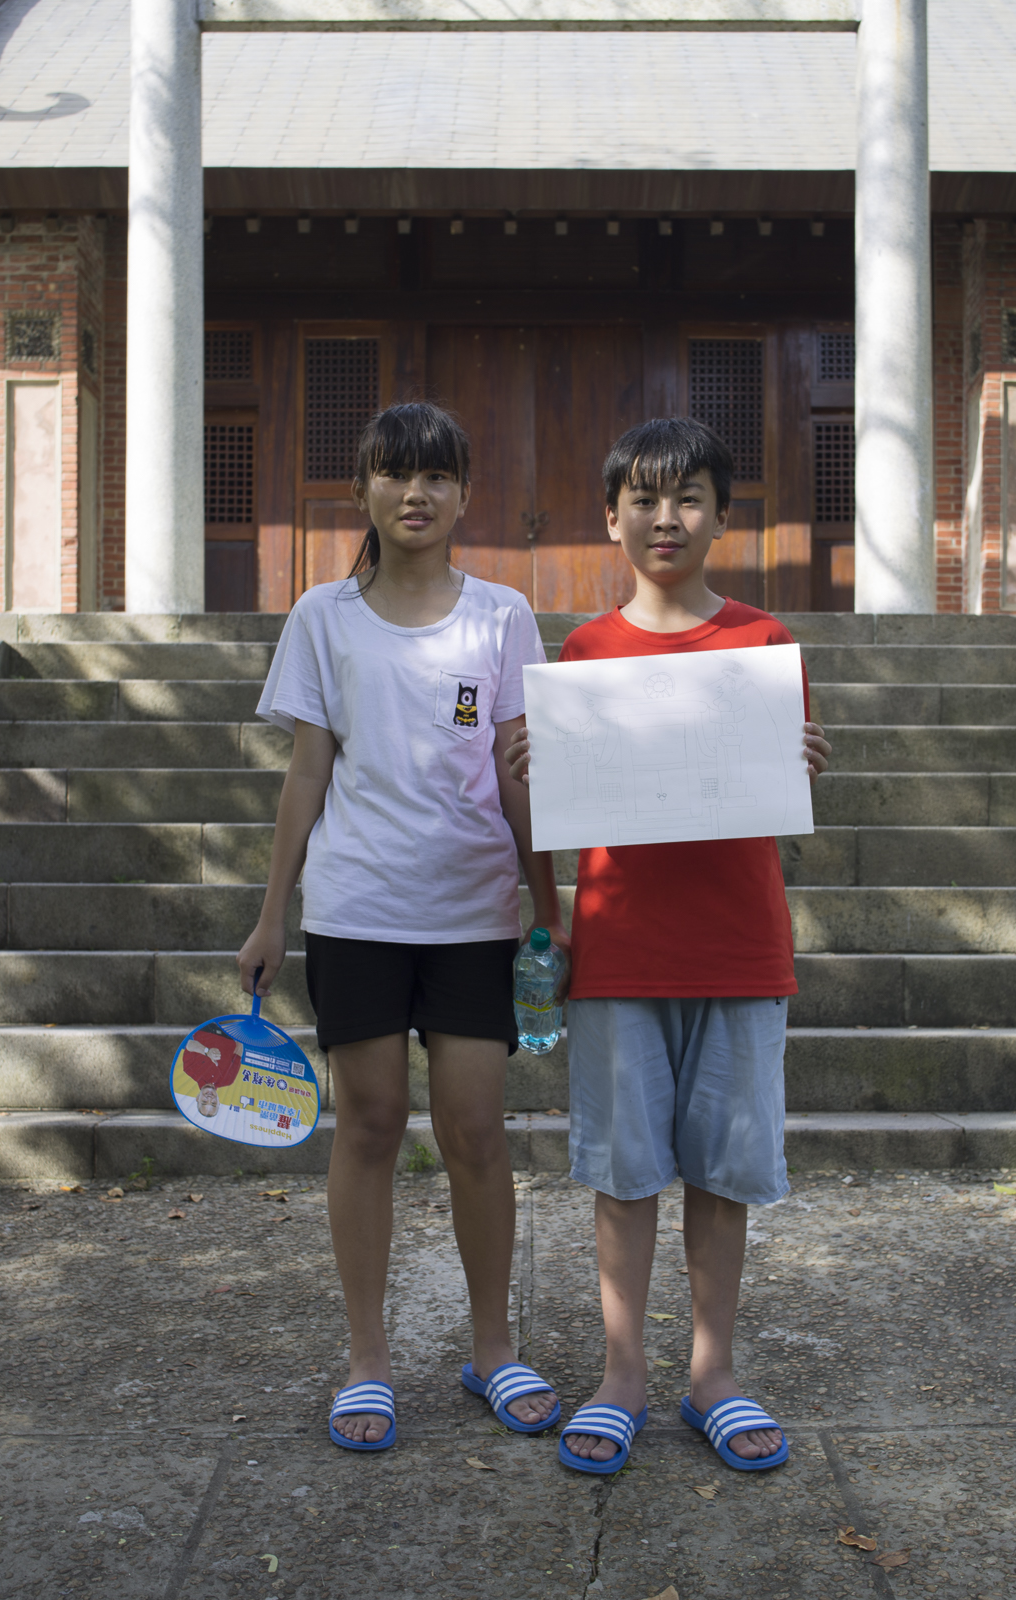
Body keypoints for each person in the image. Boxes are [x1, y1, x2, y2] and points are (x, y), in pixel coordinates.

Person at [238, 401, 569, 1452]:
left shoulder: (504, 616)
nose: (415, 494)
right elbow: (305, 772)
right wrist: (269, 915)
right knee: (370, 1125)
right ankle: (367, 1361)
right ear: (365, 489)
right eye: (395, 475)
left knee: (475, 1130)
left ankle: (491, 1349)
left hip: (475, 910)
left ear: (465, 493)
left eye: (435, 477)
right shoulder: (322, 617)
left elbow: (523, 773)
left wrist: (547, 904)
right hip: (357, 908)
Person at [506, 416, 831, 1475]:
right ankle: (620, 1375)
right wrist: (530, 776)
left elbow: (768, 801)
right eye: (642, 499)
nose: (664, 517)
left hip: (738, 946)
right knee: (624, 1171)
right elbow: (559, 812)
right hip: (620, 948)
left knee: (724, 1172)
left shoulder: (765, 644)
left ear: (722, 518)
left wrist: (798, 765)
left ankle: (712, 1372)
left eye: (688, 496)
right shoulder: (587, 654)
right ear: (610, 518)